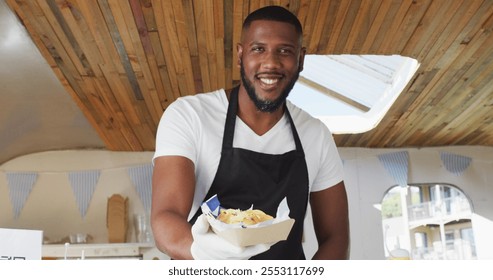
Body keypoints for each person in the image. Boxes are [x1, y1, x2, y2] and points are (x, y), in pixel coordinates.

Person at [151, 5, 349, 260]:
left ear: (300, 59)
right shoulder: (190, 116)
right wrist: (203, 253)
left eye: (285, 51)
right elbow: (165, 219)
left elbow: (337, 239)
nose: (271, 62)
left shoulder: (316, 135)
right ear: (240, 55)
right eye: (258, 49)